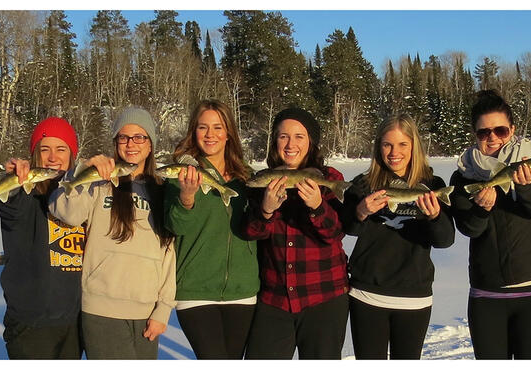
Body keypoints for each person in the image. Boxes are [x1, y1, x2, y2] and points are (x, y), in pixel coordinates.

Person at [49, 107, 176, 359]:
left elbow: (169, 255)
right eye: (123, 137)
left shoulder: (162, 190)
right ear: (115, 143)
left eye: (139, 137)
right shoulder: (99, 182)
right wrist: (82, 172)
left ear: (150, 145)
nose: (131, 144)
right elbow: (65, 212)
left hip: (145, 311)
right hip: (101, 310)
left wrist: (163, 309)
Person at [450, 90, 531, 359]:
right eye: (483, 132)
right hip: (487, 295)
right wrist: (481, 210)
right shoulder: (464, 175)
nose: (492, 138)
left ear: (511, 130)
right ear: (475, 134)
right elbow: (469, 228)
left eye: (500, 130)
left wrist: (527, 188)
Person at [340, 114, 455, 359]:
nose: (394, 152)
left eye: (402, 144)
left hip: (414, 297)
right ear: (378, 146)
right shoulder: (362, 184)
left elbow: (445, 240)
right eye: (387, 144)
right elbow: (348, 228)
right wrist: (360, 212)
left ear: (414, 146)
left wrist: (435, 216)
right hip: (367, 294)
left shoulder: (432, 184)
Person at [242, 107, 349, 360]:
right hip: (274, 299)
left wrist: (317, 206)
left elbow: (336, 234)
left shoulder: (329, 178)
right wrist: (266, 210)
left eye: (299, 136)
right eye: (283, 136)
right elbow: (250, 233)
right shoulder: (263, 181)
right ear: (274, 141)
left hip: (323, 297)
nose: (290, 144)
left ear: (310, 141)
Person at [163, 99, 259, 359]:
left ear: (229, 133)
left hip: (243, 290)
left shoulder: (246, 176)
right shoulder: (183, 172)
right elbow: (175, 226)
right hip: (196, 290)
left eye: (218, 127)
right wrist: (187, 197)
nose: (210, 135)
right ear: (194, 132)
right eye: (203, 127)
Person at [0, 117, 84, 359]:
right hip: (31, 322)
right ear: (35, 156)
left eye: (61, 149)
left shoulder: (82, 196)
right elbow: (9, 207)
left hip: (73, 322)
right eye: (45, 149)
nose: (53, 157)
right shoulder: (26, 194)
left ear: (72, 154)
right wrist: (11, 182)